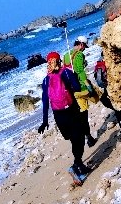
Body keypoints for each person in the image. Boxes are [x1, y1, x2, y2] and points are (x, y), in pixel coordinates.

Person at [38, 51, 90, 185]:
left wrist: (44, 121)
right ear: (59, 60)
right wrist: (75, 79)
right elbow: (77, 87)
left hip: (58, 116)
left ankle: (81, 167)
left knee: (73, 140)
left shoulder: (45, 80)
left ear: (48, 63)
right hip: (71, 110)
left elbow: (45, 101)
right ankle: (75, 165)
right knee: (79, 138)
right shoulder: (66, 72)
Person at [63, 36, 97, 147]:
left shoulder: (66, 55)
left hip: (72, 90)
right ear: (81, 44)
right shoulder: (79, 55)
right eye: (84, 47)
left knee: (82, 114)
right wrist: (89, 87)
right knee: (101, 97)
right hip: (82, 88)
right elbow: (80, 71)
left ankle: (89, 137)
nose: (84, 49)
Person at [93, 49, 121, 134]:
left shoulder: (99, 62)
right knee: (119, 106)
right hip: (112, 87)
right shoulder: (110, 61)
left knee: (116, 106)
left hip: (103, 91)